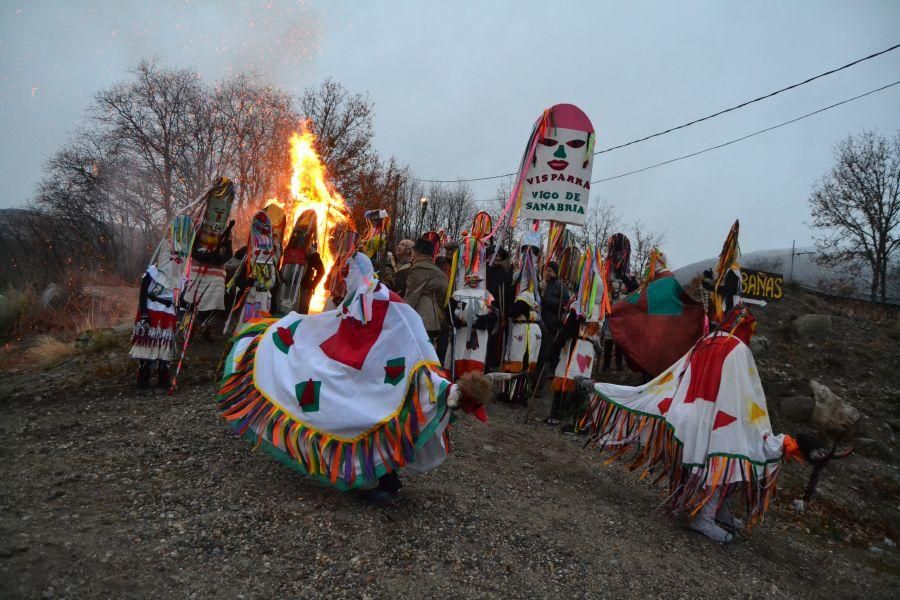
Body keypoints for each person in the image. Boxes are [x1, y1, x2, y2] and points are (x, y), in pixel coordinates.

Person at [218, 252, 491, 500]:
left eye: (346, 274)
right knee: (359, 414)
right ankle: (382, 477)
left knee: (379, 416)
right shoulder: (357, 300)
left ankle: (387, 480)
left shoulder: (386, 301)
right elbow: (335, 328)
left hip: (383, 376)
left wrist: (436, 382)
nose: (343, 280)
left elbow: (409, 336)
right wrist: (297, 329)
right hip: (359, 373)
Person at [579, 306, 807, 543]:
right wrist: (756, 428)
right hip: (717, 421)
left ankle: (717, 509)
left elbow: (678, 376)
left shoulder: (707, 340)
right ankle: (704, 517)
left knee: (644, 400)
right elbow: (744, 393)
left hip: (689, 414)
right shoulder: (738, 349)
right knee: (730, 457)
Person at [130, 215, 195, 390]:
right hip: (151, 310)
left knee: (166, 343)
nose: (176, 260)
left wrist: (188, 306)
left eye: (180, 257)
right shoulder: (153, 273)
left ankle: (163, 374)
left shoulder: (180, 279)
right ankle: (144, 373)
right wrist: (143, 314)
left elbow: (179, 299)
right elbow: (143, 293)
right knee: (148, 342)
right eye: (174, 255)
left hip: (168, 312)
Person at [184, 177, 235, 333]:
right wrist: (203, 256)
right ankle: (188, 326)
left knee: (215, 297)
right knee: (193, 298)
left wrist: (218, 258)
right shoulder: (199, 226)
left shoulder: (227, 231)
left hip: (216, 272)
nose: (219, 212)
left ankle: (207, 327)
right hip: (198, 269)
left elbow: (228, 253)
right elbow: (191, 248)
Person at [403, 236, 449, 346]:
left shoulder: (418, 269)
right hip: (432, 319)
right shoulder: (439, 272)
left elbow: (411, 297)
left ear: (416, 253)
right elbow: (443, 296)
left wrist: (401, 315)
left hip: (418, 318)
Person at [536, 260, 571, 385]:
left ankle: (539, 384)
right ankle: (532, 378)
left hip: (550, 325)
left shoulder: (560, 286)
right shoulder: (541, 284)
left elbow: (565, 304)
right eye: (546, 270)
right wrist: (539, 291)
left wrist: (546, 300)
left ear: (555, 272)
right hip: (537, 322)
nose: (547, 273)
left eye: (550, 270)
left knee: (544, 355)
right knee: (536, 353)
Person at [485, 246, 513, 371]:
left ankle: (490, 363)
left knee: (493, 338)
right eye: (494, 254)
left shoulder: (505, 273)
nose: (497, 258)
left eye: (499, 256)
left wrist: (504, 314)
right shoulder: (483, 269)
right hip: (482, 308)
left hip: (497, 310)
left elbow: (508, 295)